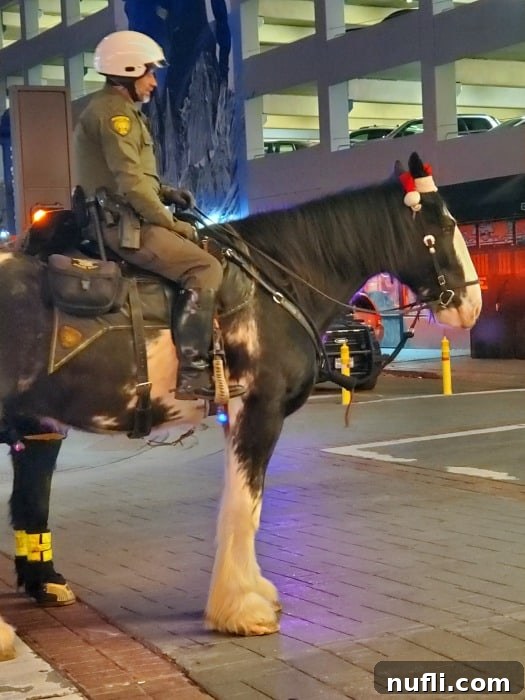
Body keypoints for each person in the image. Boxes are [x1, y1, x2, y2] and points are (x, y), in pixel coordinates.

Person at [73, 30, 244, 401]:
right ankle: (194, 373)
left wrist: (167, 191)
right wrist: (171, 223)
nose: (153, 81)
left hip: (122, 216)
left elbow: (134, 176)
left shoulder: (118, 111)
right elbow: (131, 185)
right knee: (205, 268)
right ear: (128, 71)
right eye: (149, 73)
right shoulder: (114, 115)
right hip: (122, 227)